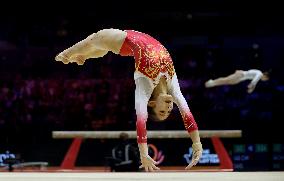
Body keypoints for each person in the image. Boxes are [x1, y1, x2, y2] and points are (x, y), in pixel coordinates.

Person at [55, 28, 203, 171]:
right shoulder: (174, 88)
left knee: (97, 38)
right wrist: (197, 143)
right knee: (102, 50)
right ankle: (83, 56)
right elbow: (187, 116)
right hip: (132, 43)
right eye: (168, 112)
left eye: (162, 111)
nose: (170, 108)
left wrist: (144, 154)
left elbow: (141, 123)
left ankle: (68, 53)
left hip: (127, 39)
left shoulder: (144, 85)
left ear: (151, 103)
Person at [205, 69, 269, 93]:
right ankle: (212, 82)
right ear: (265, 76)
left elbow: (254, 82)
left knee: (226, 82)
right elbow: (254, 81)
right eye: (266, 79)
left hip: (241, 78)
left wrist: (251, 87)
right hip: (241, 75)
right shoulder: (260, 73)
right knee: (226, 79)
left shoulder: (259, 74)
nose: (265, 80)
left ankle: (213, 83)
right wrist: (251, 88)